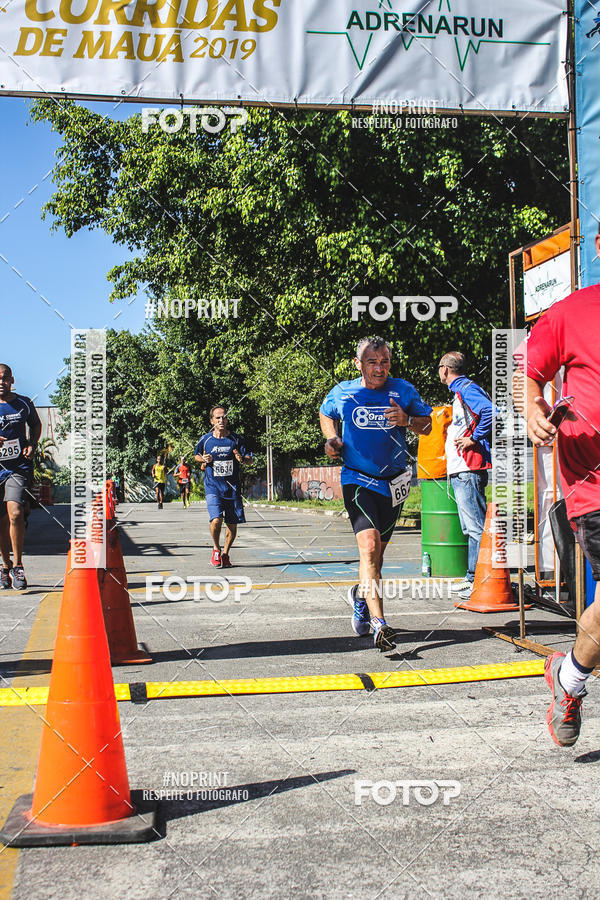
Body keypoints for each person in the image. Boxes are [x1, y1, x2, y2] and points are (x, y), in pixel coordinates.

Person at [516, 225, 600, 747]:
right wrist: (532, 408)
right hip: (593, 478)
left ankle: (568, 677)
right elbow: (529, 373)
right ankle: (570, 679)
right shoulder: (571, 312)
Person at [320, 337, 432, 651]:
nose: (380, 368)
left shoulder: (403, 390)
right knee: (368, 548)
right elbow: (326, 413)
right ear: (358, 364)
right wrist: (332, 438)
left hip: (394, 483)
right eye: (372, 362)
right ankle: (379, 623)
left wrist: (408, 421)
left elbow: (428, 426)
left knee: (377, 557)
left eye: (384, 362)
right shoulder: (344, 392)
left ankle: (360, 596)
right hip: (358, 479)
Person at [438, 352, 494, 601]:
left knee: (476, 527)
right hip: (462, 469)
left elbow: (490, 411)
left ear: (445, 369)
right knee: (470, 527)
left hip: (468, 467)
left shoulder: (465, 388)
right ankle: (473, 576)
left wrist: (474, 438)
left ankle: (477, 579)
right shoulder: (460, 391)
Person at [194, 406, 252, 568]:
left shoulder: (236, 439)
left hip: (232, 489)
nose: (221, 420)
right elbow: (196, 455)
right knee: (216, 519)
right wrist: (203, 459)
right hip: (213, 487)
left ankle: (225, 554)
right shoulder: (206, 439)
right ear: (212, 421)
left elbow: (250, 459)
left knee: (232, 524)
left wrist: (242, 459)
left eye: (224, 417)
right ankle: (216, 549)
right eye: (218, 418)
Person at [0, 364, 42, 591]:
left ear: (12, 380)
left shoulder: (23, 403)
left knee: (15, 513)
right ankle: (5, 567)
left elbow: (35, 424)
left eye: (5, 378)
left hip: (17, 467)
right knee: (1, 519)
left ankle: (18, 566)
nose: (1, 382)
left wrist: (32, 444)